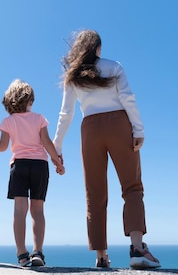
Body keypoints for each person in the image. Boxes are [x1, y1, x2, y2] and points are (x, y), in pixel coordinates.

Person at [52, 29, 161, 269]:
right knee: (132, 186)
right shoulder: (114, 66)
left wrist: (57, 145)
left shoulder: (73, 76)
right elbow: (128, 98)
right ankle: (137, 249)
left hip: (89, 129)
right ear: (98, 49)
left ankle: (101, 256)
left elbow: (66, 113)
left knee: (94, 192)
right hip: (119, 125)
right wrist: (139, 130)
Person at [0, 79, 65, 267]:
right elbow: (46, 142)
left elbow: (3, 147)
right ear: (29, 100)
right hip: (39, 166)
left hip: (19, 166)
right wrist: (57, 161)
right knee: (38, 211)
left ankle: (22, 255)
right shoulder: (39, 119)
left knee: (20, 211)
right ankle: (38, 252)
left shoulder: (8, 122)